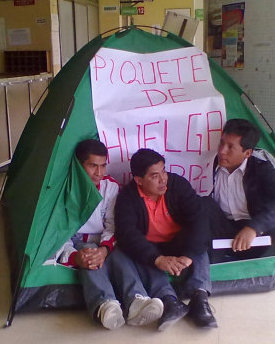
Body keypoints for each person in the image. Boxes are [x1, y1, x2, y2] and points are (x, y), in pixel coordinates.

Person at [56, 139, 163, 330]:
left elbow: (112, 225)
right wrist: (74, 257)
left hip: (103, 239)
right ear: (79, 166)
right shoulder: (63, 190)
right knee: (89, 256)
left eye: (103, 166)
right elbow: (56, 235)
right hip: (77, 242)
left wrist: (105, 249)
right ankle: (104, 305)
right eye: (92, 166)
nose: (99, 173)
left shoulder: (110, 187)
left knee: (120, 253)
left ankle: (137, 300)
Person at [114, 148, 217, 331]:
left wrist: (189, 255)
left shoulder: (177, 184)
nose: (163, 179)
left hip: (179, 242)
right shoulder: (127, 197)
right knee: (134, 251)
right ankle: (169, 301)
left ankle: (200, 298)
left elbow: (199, 219)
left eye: (163, 171)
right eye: (154, 176)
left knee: (199, 241)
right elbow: (127, 233)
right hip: (152, 247)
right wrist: (157, 259)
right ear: (139, 180)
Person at [204, 118, 275, 260]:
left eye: (230, 147)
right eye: (221, 143)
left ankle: (257, 269)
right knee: (203, 207)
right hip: (222, 227)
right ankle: (215, 267)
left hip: (254, 229)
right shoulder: (210, 164)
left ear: (247, 153)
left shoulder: (261, 169)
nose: (222, 151)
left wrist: (254, 228)